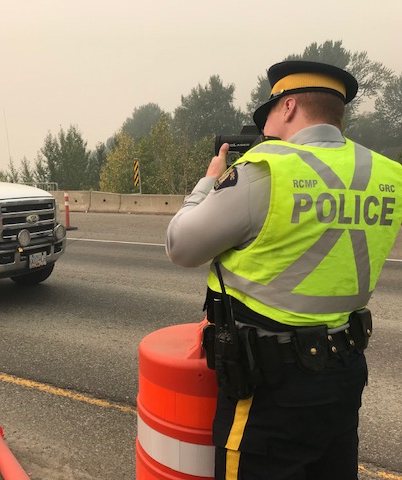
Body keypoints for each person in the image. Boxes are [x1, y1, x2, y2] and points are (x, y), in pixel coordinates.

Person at [166, 60, 402, 479]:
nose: (266, 130)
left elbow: (181, 246)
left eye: (269, 114)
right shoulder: (387, 175)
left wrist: (208, 182)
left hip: (272, 386)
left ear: (289, 106)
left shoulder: (265, 170)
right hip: (345, 375)